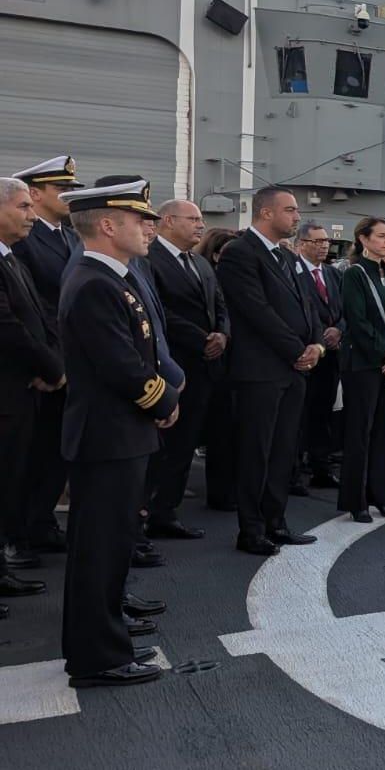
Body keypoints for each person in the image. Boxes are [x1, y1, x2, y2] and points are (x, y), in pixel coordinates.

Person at [54, 178, 179, 688]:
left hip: (120, 434)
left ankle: (106, 641)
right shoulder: (93, 282)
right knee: (98, 551)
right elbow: (121, 366)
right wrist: (164, 400)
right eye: (139, 220)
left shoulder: (111, 277)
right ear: (107, 225)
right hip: (107, 437)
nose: (150, 228)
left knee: (109, 548)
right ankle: (96, 658)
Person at [215, 185, 324, 556]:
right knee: (255, 452)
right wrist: (296, 350)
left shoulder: (286, 255)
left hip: (293, 370)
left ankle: (276, 522)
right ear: (265, 213)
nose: (297, 216)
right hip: (260, 370)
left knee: (283, 451)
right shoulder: (239, 253)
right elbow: (255, 310)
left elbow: (306, 305)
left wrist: (315, 344)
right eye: (290, 210)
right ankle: (251, 529)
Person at [8, 156, 84, 565]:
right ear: (34, 194)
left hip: (68, 364)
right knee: (28, 455)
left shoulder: (71, 238)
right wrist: (49, 365)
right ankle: (18, 533)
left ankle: (40, 523)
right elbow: (31, 309)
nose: (69, 197)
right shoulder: (24, 241)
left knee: (57, 452)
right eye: (61, 190)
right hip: (41, 367)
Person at [145, 198, 230, 540]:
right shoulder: (149, 259)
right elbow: (158, 310)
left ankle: (167, 511)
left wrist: (222, 334)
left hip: (207, 366)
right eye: (192, 218)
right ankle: (150, 510)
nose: (200, 224)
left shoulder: (200, 263)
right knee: (165, 445)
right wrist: (200, 338)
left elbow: (220, 304)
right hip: (175, 363)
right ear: (167, 220)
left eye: (200, 219)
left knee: (185, 444)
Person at [0, 177, 57, 612]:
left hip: (23, 388)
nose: (31, 215)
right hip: (9, 388)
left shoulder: (10, 259)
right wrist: (51, 368)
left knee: (12, 478)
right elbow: (8, 328)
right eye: (22, 207)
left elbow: (34, 317)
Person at [338, 218, 385, 522]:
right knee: (360, 432)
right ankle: (356, 501)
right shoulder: (354, 274)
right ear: (363, 239)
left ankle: (382, 496)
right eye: (381, 236)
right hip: (364, 364)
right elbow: (357, 321)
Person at [293, 221, 343, 492]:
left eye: (326, 241)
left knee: (323, 414)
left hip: (331, 356)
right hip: (304, 353)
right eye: (317, 241)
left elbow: (345, 310)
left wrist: (339, 330)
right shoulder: (292, 272)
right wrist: (319, 335)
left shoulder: (334, 275)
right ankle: (295, 470)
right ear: (301, 244)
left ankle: (321, 467)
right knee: (299, 415)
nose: (324, 245)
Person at [195, 227, 240, 511]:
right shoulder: (206, 274)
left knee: (227, 430)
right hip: (204, 358)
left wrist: (223, 333)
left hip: (230, 358)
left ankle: (225, 490)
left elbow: (224, 312)